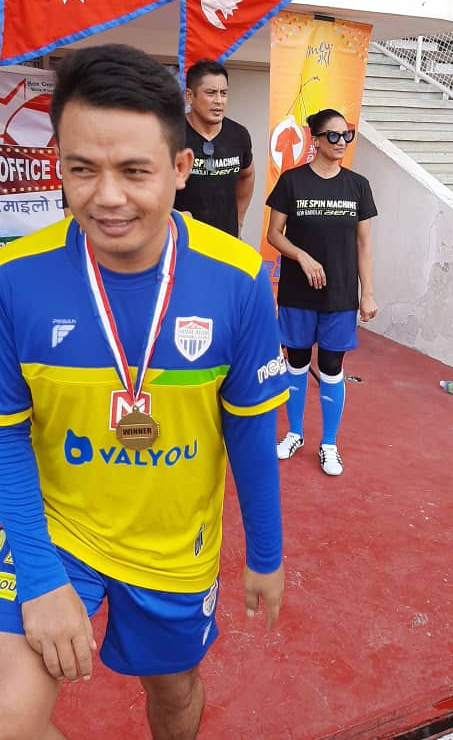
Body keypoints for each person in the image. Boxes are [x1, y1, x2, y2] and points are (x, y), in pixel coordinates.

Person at [0, 43, 287, 740]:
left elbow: (251, 431)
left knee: (174, 691)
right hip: (55, 531)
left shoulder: (238, 278)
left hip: (173, 546)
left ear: (181, 168)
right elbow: (5, 436)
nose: (107, 197)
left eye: (134, 171)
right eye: (81, 169)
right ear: (58, 165)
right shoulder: (13, 276)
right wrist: (38, 575)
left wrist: (266, 555)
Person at [266, 108, 378, 476]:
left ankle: (329, 443)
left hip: (340, 295)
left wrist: (368, 293)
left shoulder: (357, 185)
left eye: (347, 134)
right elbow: (274, 234)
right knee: (296, 362)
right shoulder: (292, 181)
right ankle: (294, 433)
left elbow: (363, 243)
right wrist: (302, 256)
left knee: (331, 367)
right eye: (333, 135)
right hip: (297, 292)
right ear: (315, 140)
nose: (341, 142)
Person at [174, 59, 255, 237]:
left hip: (225, 239)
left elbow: (247, 175)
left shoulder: (239, 135)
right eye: (210, 93)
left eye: (223, 93)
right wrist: (171, 217)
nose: (219, 101)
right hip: (182, 239)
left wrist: (239, 220)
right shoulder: (171, 134)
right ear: (190, 96)